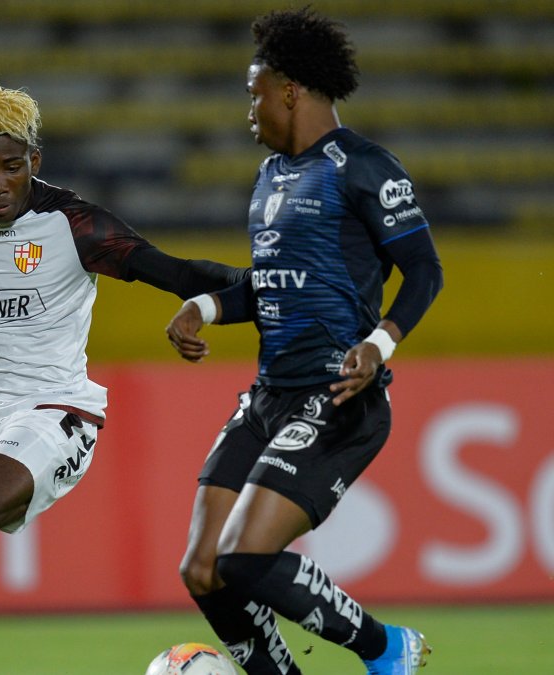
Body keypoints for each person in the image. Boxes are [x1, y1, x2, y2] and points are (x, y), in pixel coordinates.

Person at [0, 82, 249, 675]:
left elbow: (177, 271)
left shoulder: (75, 225)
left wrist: (269, 289)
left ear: (36, 163)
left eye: (13, 168)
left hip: (57, 412)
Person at [165, 8, 443, 675]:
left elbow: (425, 269)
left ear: (290, 89)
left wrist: (381, 342)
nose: (249, 109)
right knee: (202, 567)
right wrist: (203, 305)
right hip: (268, 395)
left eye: (254, 91)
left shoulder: (365, 167)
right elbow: (271, 286)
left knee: (243, 557)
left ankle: (386, 647)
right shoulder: (269, 180)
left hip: (337, 394)